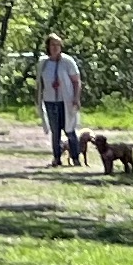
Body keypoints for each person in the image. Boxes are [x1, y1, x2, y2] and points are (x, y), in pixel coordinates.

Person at [36, 31, 84, 166]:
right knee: (55, 131)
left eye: (58, 44)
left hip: (66, 100)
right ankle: (57, 157)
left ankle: (75, 158)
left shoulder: (67, 62)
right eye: (52, 45)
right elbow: (39, 83)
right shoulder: (43, 63)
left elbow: (76, 81)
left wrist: (76, 97)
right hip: (50, 100)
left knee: (70, 129)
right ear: (48, 47)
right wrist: (38, 99)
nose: (55, 47)